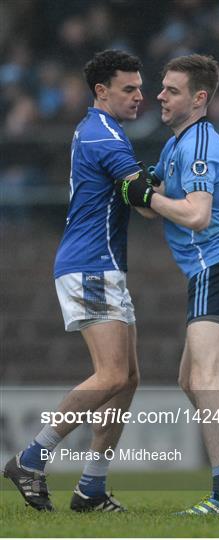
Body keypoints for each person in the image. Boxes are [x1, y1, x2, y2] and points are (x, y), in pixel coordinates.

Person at [119, 54, 219, 515]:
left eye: (172, 90)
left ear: (199, 98)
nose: (159, 96)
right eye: (161, 88)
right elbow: (150, 204)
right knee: (190, 379)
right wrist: (136, 189)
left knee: (204, 379)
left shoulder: (200, 145)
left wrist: (151, 197)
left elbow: (197, 216)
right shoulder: (176, 144)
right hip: (217, 269)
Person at [3, 50, 145, 512]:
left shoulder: (103, 130)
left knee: (127, 380)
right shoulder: (103, 134)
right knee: (112, 374)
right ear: (101, 91)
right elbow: (144, 199)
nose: (139, 95)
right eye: (129, 88)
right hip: (90, 264)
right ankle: (31, 457)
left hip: (102, 264)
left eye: (140, 87)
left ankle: (91, 489)